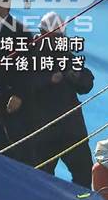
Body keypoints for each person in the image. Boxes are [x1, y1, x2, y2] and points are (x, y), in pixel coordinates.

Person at [33, 12, 93, 188]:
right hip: (43, 131)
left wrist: (76, 77)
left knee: (83, 174)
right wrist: (48, 80)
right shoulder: (30, 56)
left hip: (71, 130)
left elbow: (87, 82)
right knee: (41, 181)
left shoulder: (66, 55)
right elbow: (22, 85)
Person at [0, 0, 36, 165]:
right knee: (3, 156)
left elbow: (30, 66)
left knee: (21, 156)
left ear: (4, 5)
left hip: (17, 105)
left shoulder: (20, 31)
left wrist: (19, 94)